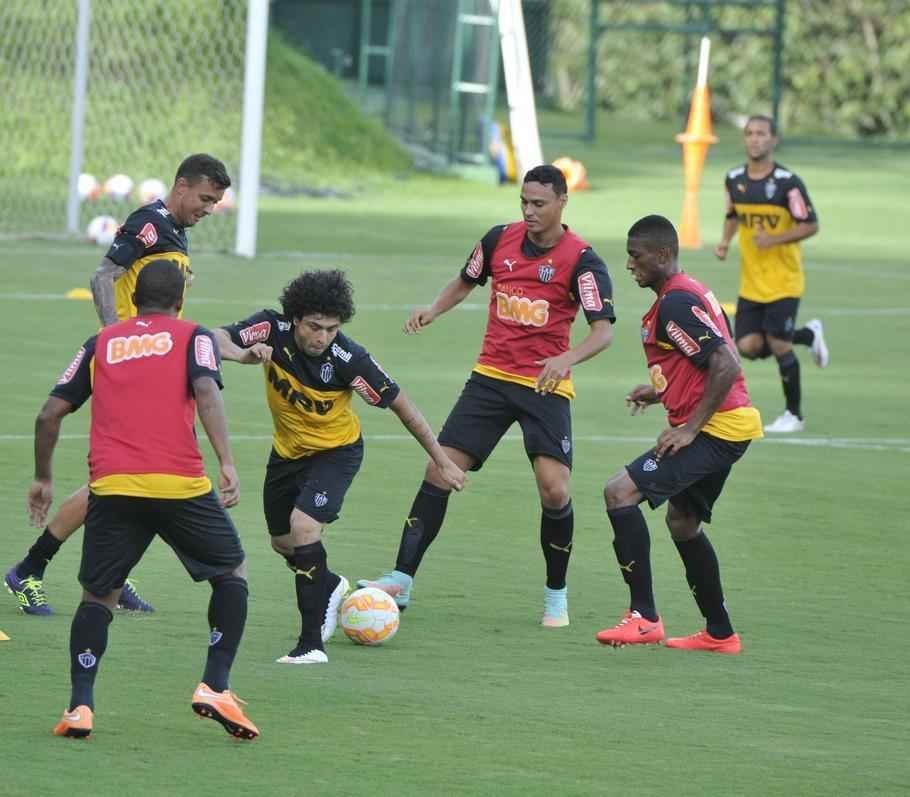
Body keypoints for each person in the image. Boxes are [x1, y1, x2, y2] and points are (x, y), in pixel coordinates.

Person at [359, 164, 615, 627]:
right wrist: (434, 309)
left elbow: (603, 332)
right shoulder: (498, 240)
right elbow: (465, 281)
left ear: (562, 202)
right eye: (524, 202)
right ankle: (401, 579)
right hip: (491, 378)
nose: (529, 211)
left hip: (544, 385)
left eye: (539, 203)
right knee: (439, 469)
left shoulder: (583, 261)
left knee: (555, 490)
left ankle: (556, 595)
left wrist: (566, 359)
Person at [34, 260, 257, 741]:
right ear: (180, 300)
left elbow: (49, 414)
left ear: (134, 299)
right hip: (180, 484)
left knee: (99, 596)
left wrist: (43, 479)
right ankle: (215, 685)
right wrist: (226, 461)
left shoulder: (101, 342)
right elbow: (205, 390)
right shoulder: (194, 335)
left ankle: (80, 706)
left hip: (113, 487)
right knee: (231, 572)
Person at [4, 154, 231, 616]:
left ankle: (101, 572)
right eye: (205, 198)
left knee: (126, 480)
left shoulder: (174, 230)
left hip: (153, 366)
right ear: (181, 186)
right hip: (131, 368)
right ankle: (32, 568)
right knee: (130, 479)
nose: (209, 209)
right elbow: (103, 275)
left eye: (215, 202)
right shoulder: (149, 223)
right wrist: (117, 340)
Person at [215, 269, 465, 664]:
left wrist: (442, 461)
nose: (322, 337)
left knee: (304, 528)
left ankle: (310, 644)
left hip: (335, 453)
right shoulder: (271, 328)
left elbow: (404, 407)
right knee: (284, 543)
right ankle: (331, 586)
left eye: (331, 329)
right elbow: (214, 338)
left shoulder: (350, 359)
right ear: (296, 317)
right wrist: (243, 354)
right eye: (314, 327)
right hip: (287, 454)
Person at [597, 215, 763, 654]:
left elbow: (726, 363)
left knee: (619, 492)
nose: (629, 265)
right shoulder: (689, 292)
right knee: (683, 523)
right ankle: (720, 633)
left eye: (636, 256)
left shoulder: (673, 304)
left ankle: (644, 617)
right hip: (729, 425)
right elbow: (709, 357)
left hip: (716, 429)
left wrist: (690, 428)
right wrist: (660, 392)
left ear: (663, 254)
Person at [715, 115, 826, 434]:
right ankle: (808, 335)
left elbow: (811, 224)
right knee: (747, 346)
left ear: (774, 140)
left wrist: (774, 239)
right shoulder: (734, 179)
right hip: (752, 281)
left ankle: (794, 415)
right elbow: (732, 214)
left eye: (761, 133)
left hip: (784, 280)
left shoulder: (788, 183)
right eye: (750, 133)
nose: (755, 139)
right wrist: (725, 241)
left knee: (778, 344)